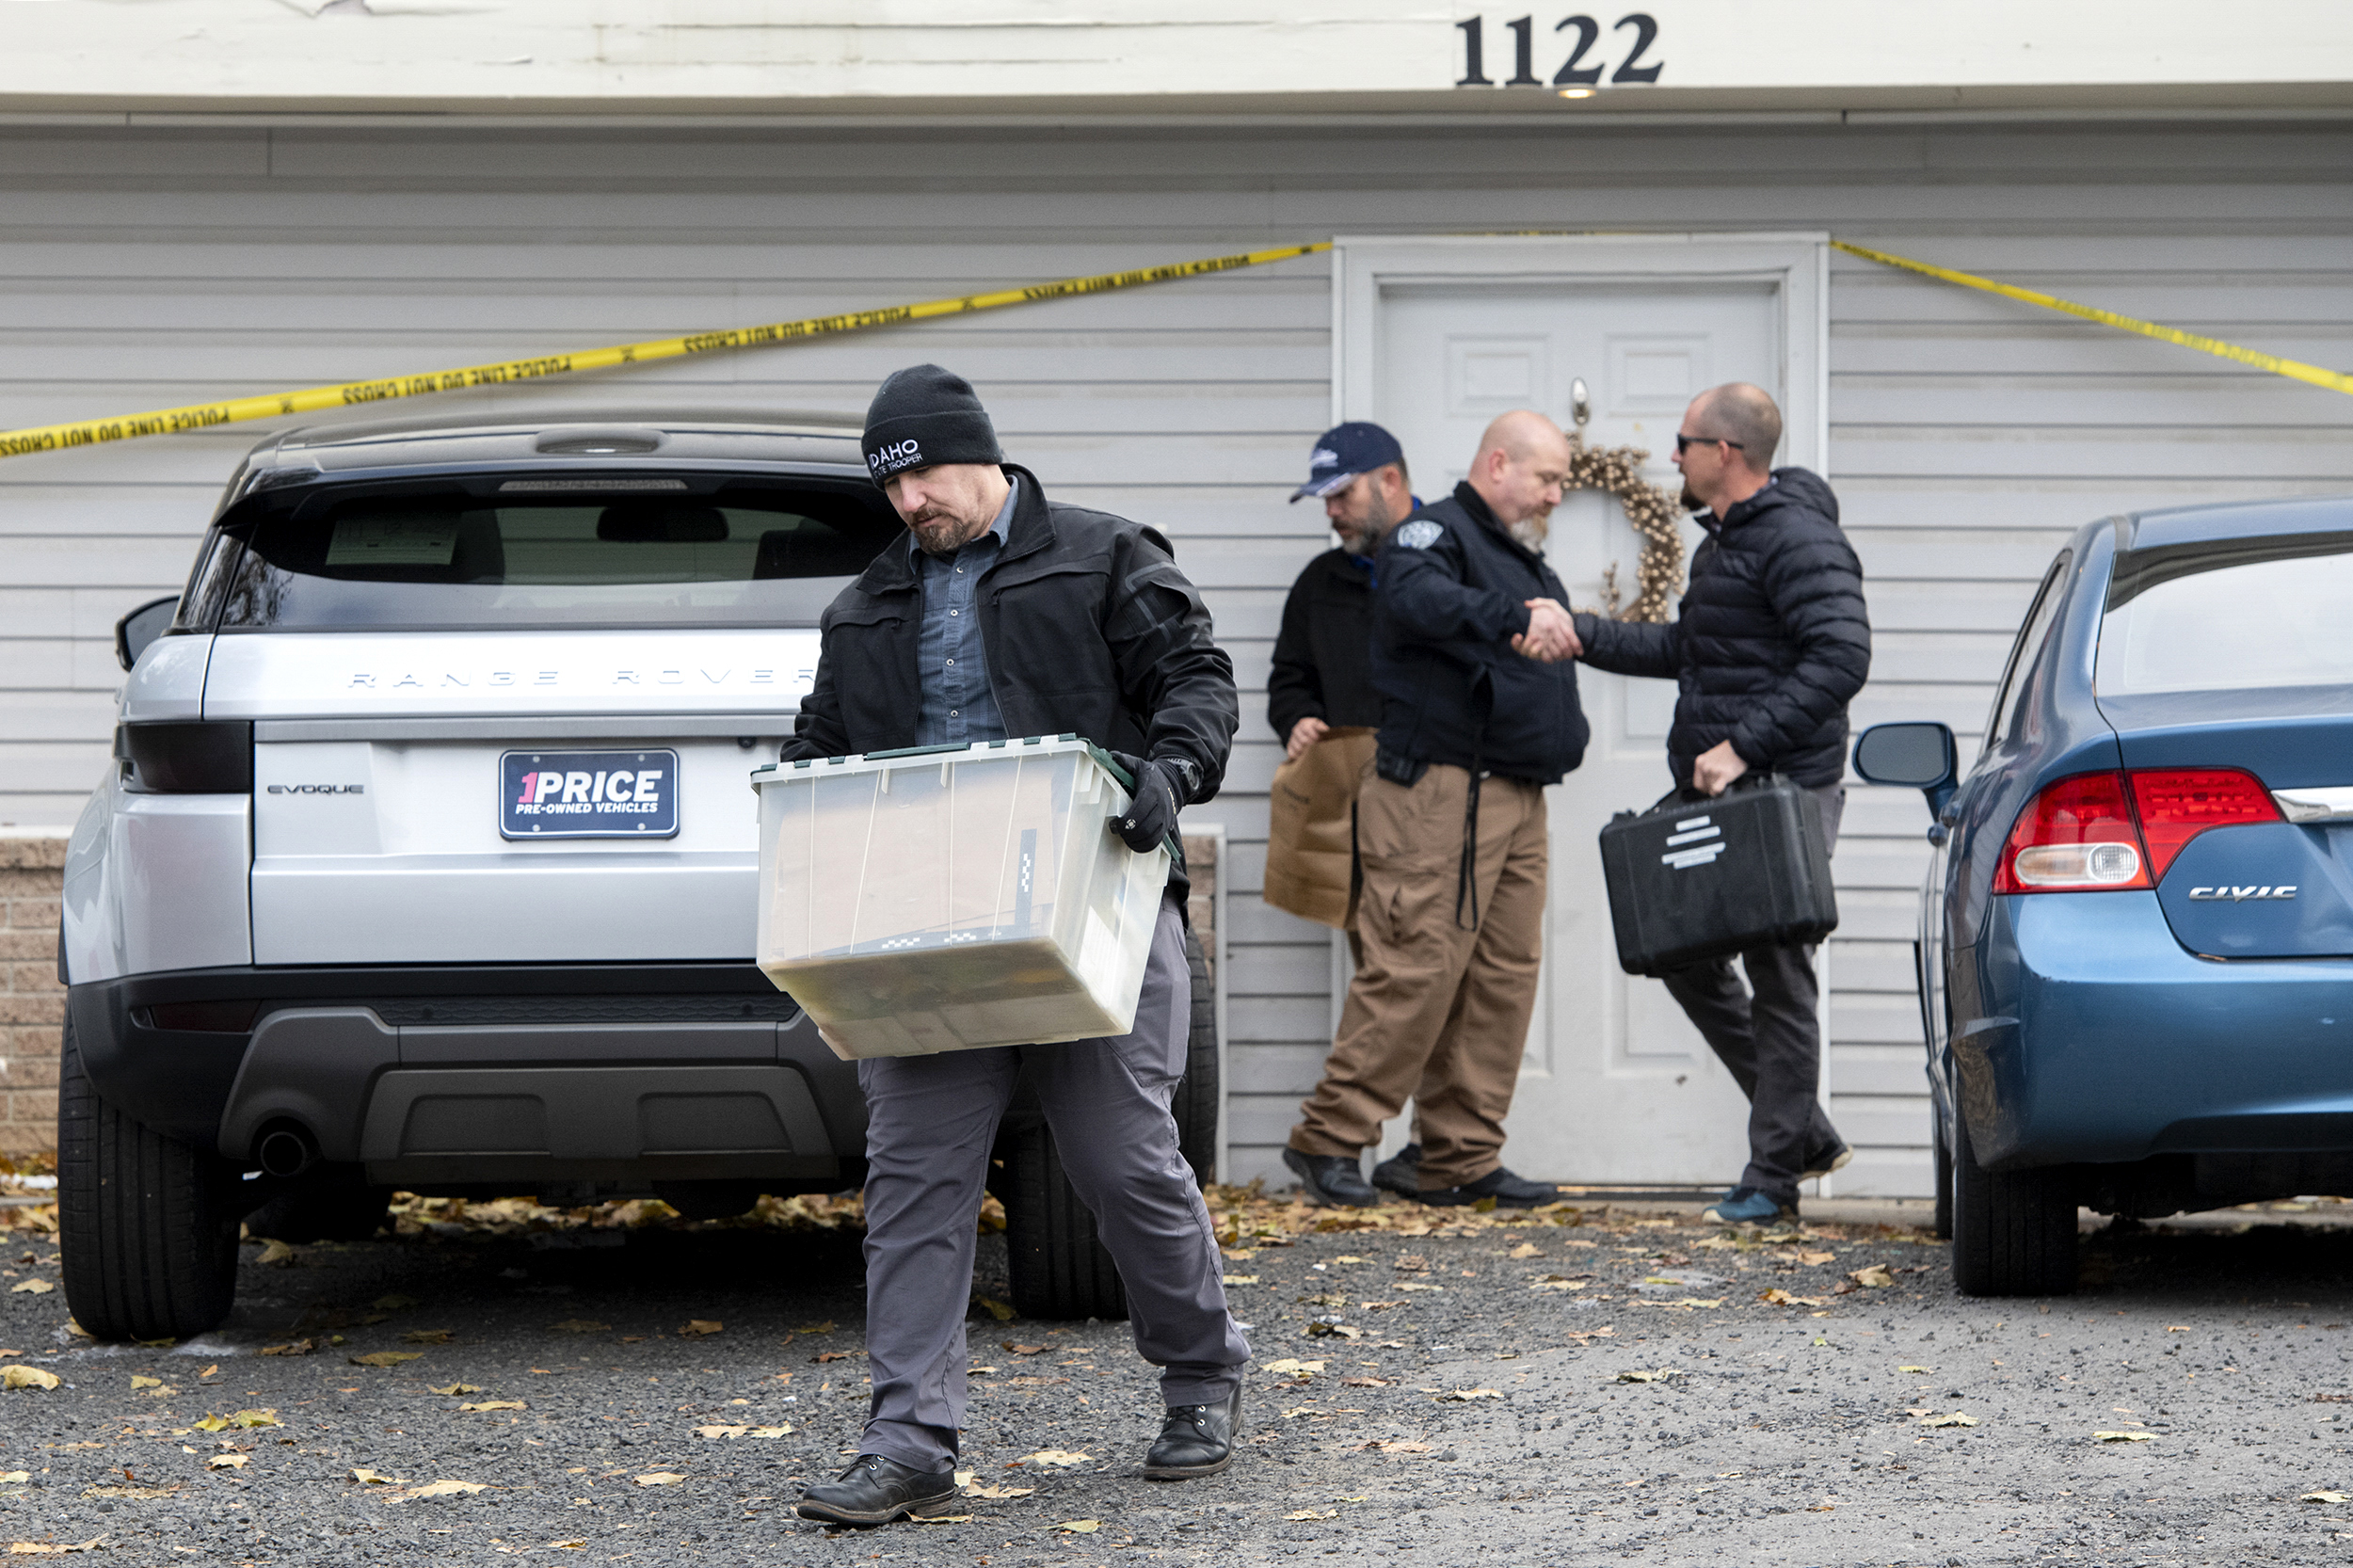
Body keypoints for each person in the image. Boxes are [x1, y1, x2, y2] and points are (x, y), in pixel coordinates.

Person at [785, 364, 1251, 1526]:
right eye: (888, 489)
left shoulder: (1102, 556)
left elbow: (1194, 678)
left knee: (1119, 1156)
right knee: (914, 1178)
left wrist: (1173, 771)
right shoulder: (864, 608)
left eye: (924, 478)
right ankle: (907, 1441)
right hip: (927, 927)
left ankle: (1201, 1372)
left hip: (1093, 902)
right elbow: (821, 749)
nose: (909, 507)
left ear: (981, 455)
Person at [1566, 381, 1871, 1225]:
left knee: (1778, 971)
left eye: (1684, 441)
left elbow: (1842, 657)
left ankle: (1773, 1177)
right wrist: (1581, 633)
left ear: (1724, 452)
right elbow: (1692, 649)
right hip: (1724, 784)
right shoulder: (1724, 541)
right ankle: (1799, 1133)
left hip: (1781, 789)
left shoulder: (1798, 538)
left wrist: (1742, 748)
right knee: (1677, 946)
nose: (1674, 456)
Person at [1282, 409, 1587, 1210]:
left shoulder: (1510, 553)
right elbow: (1414, 603)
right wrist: (1516, 618)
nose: (1557, 495)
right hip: (1442, 792)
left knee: (1502, 978)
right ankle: (1329, 1137)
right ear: (1497, 464)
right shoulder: (1432, 539)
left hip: (1516, 793)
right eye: (1548, 478)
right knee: (1416, 965)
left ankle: (1454, 1154)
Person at [1268, 422, 1416, 763]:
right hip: (1346, 784)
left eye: (1342, 493)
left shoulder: (1453, 557)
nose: (1331, 512)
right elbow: (1289, 679)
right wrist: (1298, 720)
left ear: (1390, 482)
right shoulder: (1320, 580)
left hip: (1439, 787)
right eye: (1325, 498)